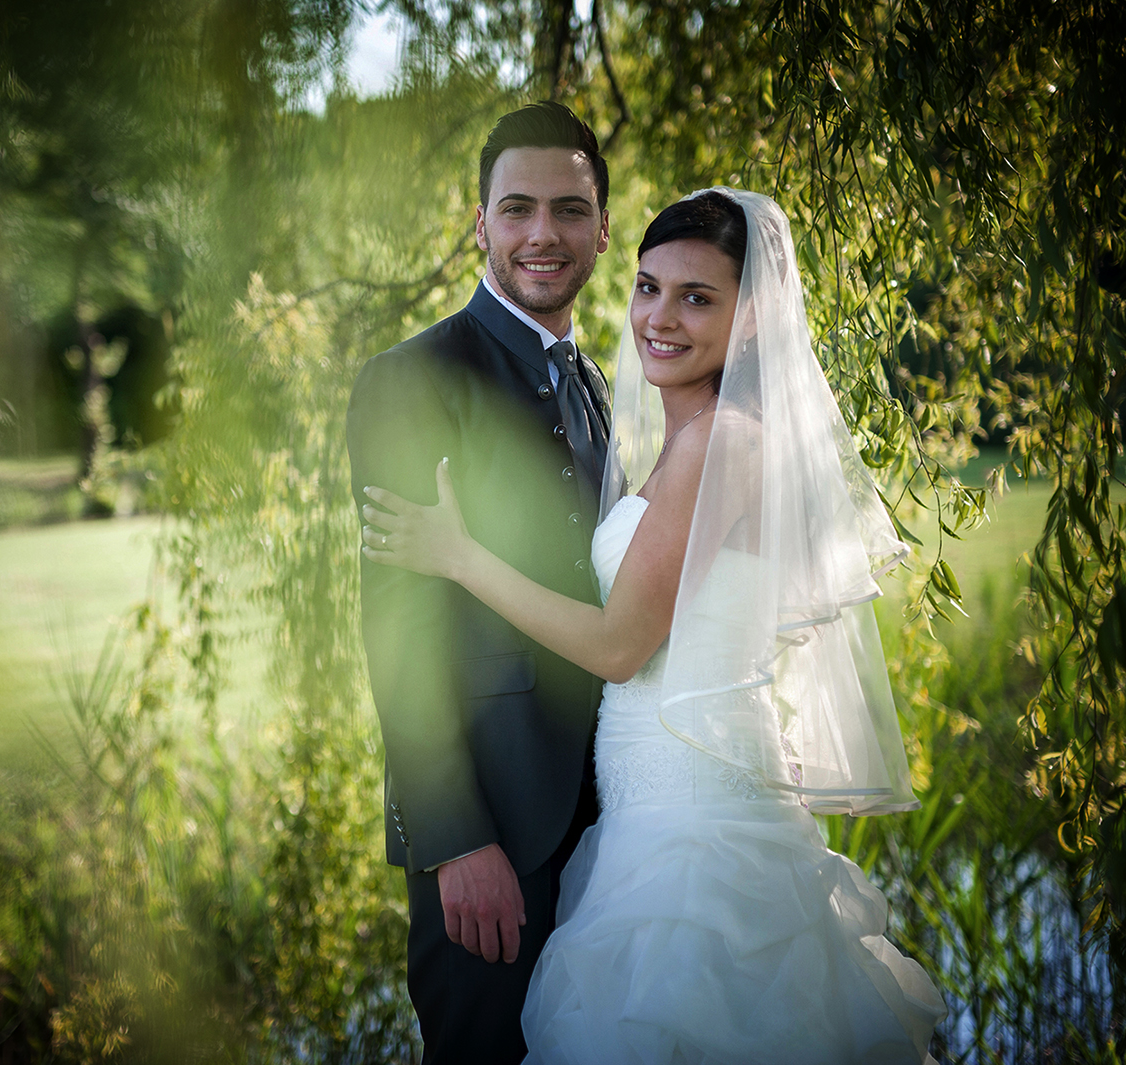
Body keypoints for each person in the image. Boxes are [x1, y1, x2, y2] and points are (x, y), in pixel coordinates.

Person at [360, 188, 948, 1063]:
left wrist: (461, 556)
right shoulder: (675, 438)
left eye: (696, 297)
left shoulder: (722, 443)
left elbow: (619, 646)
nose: (659, 318)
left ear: (753, 319)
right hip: (649, 813)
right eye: (647, 288)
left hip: (694, 827)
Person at [346, 101, 614, 1064]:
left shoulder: (596, 386)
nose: (544, 233)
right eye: (518, 209)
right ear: (481, 224)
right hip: (491, 832)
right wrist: (455, 838)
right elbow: (399, 629)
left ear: (602, 229)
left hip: (613, 826)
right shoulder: (411, 379)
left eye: (570, 209)